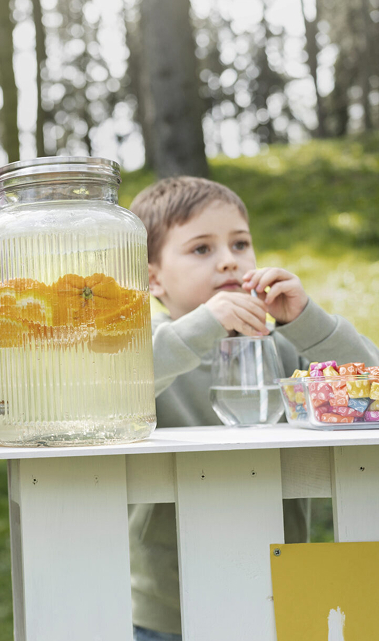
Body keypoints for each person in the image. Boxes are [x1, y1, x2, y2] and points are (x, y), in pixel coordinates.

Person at [127, 176, 379, 641]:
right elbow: (117, 386)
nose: (229, 259)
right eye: (201, 249)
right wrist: (205, 325)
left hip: (280, 594)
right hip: (169, 606)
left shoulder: (283, 347)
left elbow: (370, 386)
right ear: (152, 278)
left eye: (240, 243)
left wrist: (308, 323)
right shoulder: (145, 348)